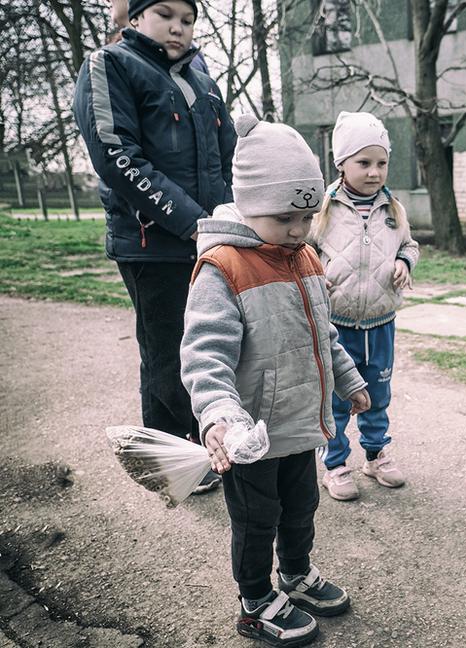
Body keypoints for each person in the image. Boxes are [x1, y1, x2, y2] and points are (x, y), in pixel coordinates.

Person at [180, 114, 371, 646]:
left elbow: (324, 334)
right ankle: (255, 601)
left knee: (301, 508)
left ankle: (295, 573)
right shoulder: (223, 267)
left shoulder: (304, 257)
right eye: (285, 217)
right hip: (250, 436)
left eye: (307, 216)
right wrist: (220, 415)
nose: (299, 230)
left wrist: (348, 379)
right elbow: (204, 355)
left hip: (298, 425)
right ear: (249, 205)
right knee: (256, 520)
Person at [73, 0, 235, 494]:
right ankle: (174, 461)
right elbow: (115, 153)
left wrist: (233, 219)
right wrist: (191, 222)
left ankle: (199, 446)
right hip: (152, 244)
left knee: (209, 343)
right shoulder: (110, 64)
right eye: (165, 14)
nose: (178, 27)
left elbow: (230, 156)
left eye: (188, 20)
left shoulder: (203, 80)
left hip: (210, 239)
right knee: (168, 352)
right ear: (137, 16)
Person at [308, 111, 419, 501]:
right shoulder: (323, 208)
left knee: (378, 395)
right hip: (336, 325)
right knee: (338, 399)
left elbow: (409, 245)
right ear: (341, 163)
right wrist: (313, 275)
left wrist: (404, 262)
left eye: (382, 163)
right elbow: (303, 251)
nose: (374, 172)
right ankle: (335, 464)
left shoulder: (393, 209)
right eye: (364, 162)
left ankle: (375, 455)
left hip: (381, 322)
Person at [108, 0, 210, 74]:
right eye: (164, 15)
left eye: (187, 22)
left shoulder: (183, 58)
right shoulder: (110, 59)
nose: (177, 29)